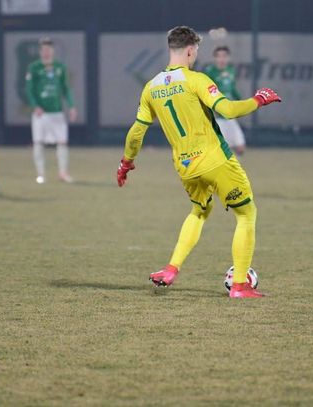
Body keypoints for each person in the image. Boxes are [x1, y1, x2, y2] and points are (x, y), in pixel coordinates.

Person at [116, 26, 281, 298]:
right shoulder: (196, 80)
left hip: (186, 167)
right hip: (216, 161)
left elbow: (136, 132)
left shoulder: (151, 87)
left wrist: (126, 162)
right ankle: (239, 285)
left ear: (171, 48)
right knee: (246, 214)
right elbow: (227, 110)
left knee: (200, 212)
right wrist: (258, 100)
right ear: (191, 50)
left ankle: (171, 269)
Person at [25, 38, 78, 184]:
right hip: (40, 113)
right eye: (44, 50)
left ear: (53, 51)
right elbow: (29, 90)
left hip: (57, 112)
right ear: (40, 51)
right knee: (38, 143)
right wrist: (35, 106)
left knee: (62, 142)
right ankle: (41, 174)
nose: (46, 52)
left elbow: (66, 88)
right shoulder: (34, 68)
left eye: (49, 49)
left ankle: (63, 173)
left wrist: (72, 106)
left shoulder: (60, 67)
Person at [204, 46, 247, 155]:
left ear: (228, 58)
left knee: (240, 148)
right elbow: (205, 93)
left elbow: (232, 89)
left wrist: (242, 103)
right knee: (222, 149)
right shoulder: (210, 72)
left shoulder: (231, 70)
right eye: (219, 56)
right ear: (215, 58)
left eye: (224, 56)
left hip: (229, 115)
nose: (221, 59)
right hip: (217, 117)